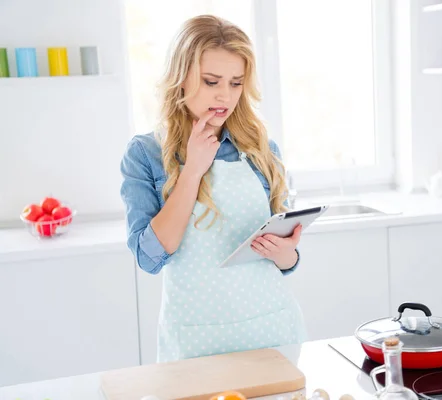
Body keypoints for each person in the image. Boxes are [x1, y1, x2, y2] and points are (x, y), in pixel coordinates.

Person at [120, 15, 306, 363]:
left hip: (272, 332)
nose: (225, 95)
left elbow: (286, 261)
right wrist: (192, 171)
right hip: (196, 342)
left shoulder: (261, 149)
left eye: (236, 83)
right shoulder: (145, 154)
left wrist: (284, 253)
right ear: (181, 78)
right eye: (211, 81)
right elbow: (149, 258)